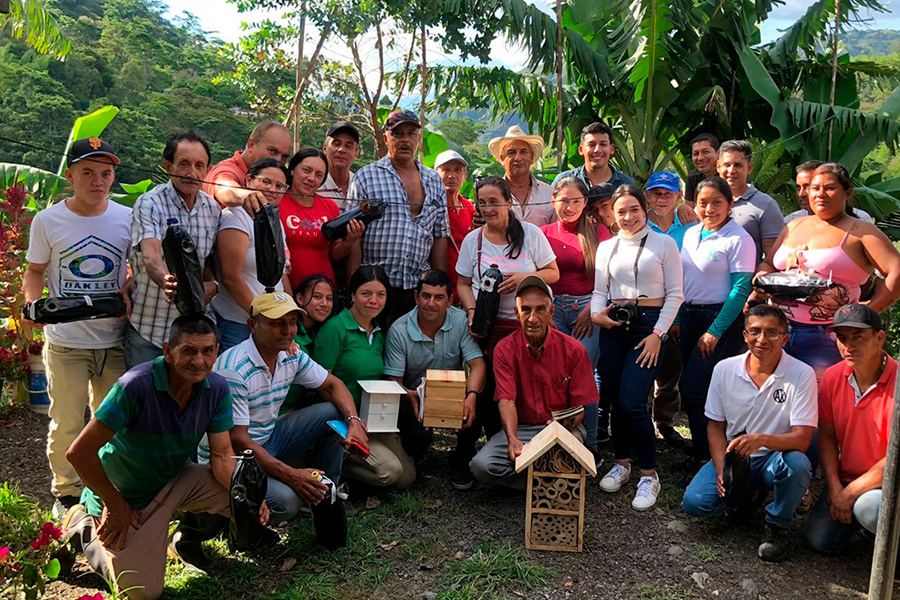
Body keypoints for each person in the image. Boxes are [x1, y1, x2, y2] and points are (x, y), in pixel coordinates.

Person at [63, 316, 267, 599]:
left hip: (174, 480)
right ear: (168, 351)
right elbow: (78, 453)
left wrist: (248, 497)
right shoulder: (134, 385)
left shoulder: (217, 389)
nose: (199, 361)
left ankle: (184, 540)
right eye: (189, 351)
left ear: (217, 351)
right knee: (142, 593)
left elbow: (221, 456)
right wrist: (115, 503)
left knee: (238, 500)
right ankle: (81, 525)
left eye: (207, 351)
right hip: (124, 496)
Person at [22, 137, 132, 517]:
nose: (97, 181)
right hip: (66, 342)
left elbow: (138, 267)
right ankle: (66, 493)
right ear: (71, 176)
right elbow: (34, 272)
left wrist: (129, 288)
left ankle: (104, 490)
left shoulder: (126, 218)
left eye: (105, 173)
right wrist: (33, 305)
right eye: (87, 172)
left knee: (110, 424)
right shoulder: (48, 220)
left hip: (115, 340)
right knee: (66, 421)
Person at [203, 292, 367, 536]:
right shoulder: (234, 370)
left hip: (268, 439)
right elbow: (237, 441)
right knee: (286, 502)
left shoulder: (291, 354)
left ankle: (325, 493)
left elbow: (333, 385)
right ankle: (231, 523)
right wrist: (291, 476)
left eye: (292, 322)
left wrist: (354, 422)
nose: (288, 330)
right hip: (232, 459)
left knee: (334, 411)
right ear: (252, 325)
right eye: (277, 323)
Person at [681, 305, 817, 563]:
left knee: (797, 464)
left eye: (772, 333)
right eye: (755, 331)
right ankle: (746, 498)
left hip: (776, 456)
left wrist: (762, 440)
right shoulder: (725, 369)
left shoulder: (801, 374)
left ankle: (778, 525)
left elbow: (802, 438)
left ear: (785, 338)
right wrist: (721, 468)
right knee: (695, 502)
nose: (762, 339)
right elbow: (715, 426)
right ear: (744, 335)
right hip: (736, 456)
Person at [755, 163, 900, 381]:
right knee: (778, 400)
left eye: (830, 188)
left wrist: (871, 309)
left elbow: (896, 271)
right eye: (814, 188)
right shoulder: (793, 226)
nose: (820, 194)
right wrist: (762, 276)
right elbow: (770, 264)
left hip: (828, 334)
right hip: (777, 329)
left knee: (823, 401)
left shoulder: (860, 231)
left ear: (848, 192)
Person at [591, 185, 683, 511]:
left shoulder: (664, 243)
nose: (628, 217)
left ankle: (648, 473)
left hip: (649, 326)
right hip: (614, 326)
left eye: (634, 209)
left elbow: (675, 294)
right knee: (614, 400)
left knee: (632, 403)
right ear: (613, 216)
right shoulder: (607, 247)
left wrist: (659, 333)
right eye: (621, 212)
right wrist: (594, 315)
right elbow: (599, 290)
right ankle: (622, 463)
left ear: (644, 209)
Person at [469, 276, 598, 489]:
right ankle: (549, 482)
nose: (532, 318)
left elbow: (579, 408)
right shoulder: (504, 349)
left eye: (540, 309)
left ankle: (539, 477)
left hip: (561, 428)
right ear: (516, 312)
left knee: (561, 456)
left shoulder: (574, 350)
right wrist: (512, 439)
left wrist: (560, 427)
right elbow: (506, 400)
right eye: (525, 309)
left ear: (551, 312)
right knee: (481, 466)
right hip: (522, 428)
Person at [314, 265, 416, 489]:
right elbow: (322, 385)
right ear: (352, 295)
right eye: (366, 294)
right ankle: (332, 467)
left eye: (381, 295)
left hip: (372, 419)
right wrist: (350, 419)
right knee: (390, 473)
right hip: (342, 421)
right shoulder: (335, 329)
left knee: (407, 477)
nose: (374, 301)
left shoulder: (378, 332)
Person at [805, 304, 895, 554]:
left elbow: (896, 457)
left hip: (892, 482)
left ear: (879, 338)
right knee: (818, 541)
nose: (848, 346)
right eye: (842, 338)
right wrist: (835, 488)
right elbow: (827, 435)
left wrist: (850, 493)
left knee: (869, 506)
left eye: (858, 337)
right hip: (849, 477)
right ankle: (870, 531)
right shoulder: (833, 377)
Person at [384, 270, 487, 489]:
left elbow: (477, 365)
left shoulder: (461, 322)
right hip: (412, 397)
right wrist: (409, 396)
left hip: (453, 393)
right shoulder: (398, 330)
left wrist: (471, 396)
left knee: (478, 398)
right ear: (416, 297)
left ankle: (462, 457)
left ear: (450, 301)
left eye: (439, 297)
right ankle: (412, 456)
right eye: (426, 296)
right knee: (416, 437)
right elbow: (393, 381)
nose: (431, 303)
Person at [126, 131, 221, 369]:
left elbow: (207, 257)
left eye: (200, 165)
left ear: (208, 169)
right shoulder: (150, 203)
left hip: (194, 332)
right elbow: (151, 255)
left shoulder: (212, 208)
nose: (192, 173)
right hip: (151, 329)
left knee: (190, 402)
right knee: (145, 400)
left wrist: (212, 283)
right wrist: (167, 281)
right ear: (168, 166)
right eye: (184, 164)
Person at [679, 176, 756, 466]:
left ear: (730, 203)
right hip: (690, 316)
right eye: (703, 203)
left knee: (695, 389)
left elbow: (740, 291)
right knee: (694, 389)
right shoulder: (690, 233)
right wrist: (677, 320)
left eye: (716, 202)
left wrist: (715, 331)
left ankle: (707, 458)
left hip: (719, 319)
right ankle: (702, 450)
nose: (709, 209)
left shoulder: (739, 239)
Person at [347, 110, 449, 325]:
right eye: (397, 134)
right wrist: (354, 287)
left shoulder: (433, 180)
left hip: (416, 289)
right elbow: (354, 234)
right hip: (376, 288)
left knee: (414, 352)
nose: (405, 140)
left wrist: (439, 285)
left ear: (418, 138)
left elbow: (440, 235)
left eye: (411, 133)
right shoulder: (366, 176)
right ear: (386, 138)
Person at [540, 177, 607, 449]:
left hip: (587, 309)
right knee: (553, 375)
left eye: (576, 201)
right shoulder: (543, 233)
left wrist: (591, 310)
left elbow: (608, 278)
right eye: (564, 200)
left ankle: (590, 443)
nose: (569, 206)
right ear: (553, 201)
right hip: (554, 310)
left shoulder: (597, 232)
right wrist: (548, 316)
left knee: (584, 376)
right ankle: (554, 440)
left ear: (584, 203)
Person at [212, 158, 292, 351]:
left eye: (279, 186)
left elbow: (280, 273)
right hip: (240, 322)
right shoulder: (236, 216)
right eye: (266, 181)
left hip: (269, 323)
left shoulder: (275, 220)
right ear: (249, 181)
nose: (272, 189)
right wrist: (260, 316)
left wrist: (289, 314)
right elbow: (231, 278)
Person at [645, 172, 693, 448]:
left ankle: (664, 421)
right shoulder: (639, 224)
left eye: (668, 194)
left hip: (680, 307)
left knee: (671, 370)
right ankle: (639, 423)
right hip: (647, 306)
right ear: (648, 196)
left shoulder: (691, 226)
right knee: (644, 368)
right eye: (656, 193)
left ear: (678, 197)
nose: (661, 199)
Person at [281, 148, 362, 292]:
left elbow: (335, 254)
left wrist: (350, 241)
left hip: (324, 294)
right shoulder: (277, 202)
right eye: (306, 170)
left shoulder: (329, 206)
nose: (311, 178)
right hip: (286, 292)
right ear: (292, 170)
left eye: (319, 175)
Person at [716, 140, 784, 266]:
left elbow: (774, 257)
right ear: (718, 167)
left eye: (738, 165)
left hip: (745, 282)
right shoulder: (707, 203)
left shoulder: (766, 205)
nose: (731, 171)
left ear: (750, 168)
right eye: (727, 165)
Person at [281, 275, 336, 415]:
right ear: (300, 299)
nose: (324, 303)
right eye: (317, 297)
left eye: (329, 298)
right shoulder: (289, 335)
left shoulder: (320, 332)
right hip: (278, 413)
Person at [203, 120, 292, 207]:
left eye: (284, 157)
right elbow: (224, 188)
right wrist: (245, 195)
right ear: (251, 145)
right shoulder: (227, 170)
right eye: (272, 151)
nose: (278, 160)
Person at [488, 125, 555, 226]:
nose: (518, 158)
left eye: (523, 152)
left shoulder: (549, 193)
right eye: (511, 152)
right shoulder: (491, 195)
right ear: (502, 158)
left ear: (531, 157)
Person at [434, 150, 476, 294]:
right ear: (435, 175)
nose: (452, 175)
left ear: (465, 176)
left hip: (467, 285)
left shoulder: (471, 209)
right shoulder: (430, 208)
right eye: (446, 170)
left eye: (457, 170)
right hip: (439, 287)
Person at [785, 161, 874, 225]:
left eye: (808, 186)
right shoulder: (791, 223)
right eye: (798, 187)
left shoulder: (861, 220)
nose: (801, 194)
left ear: (848, 193)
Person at [552, 122, 634, 189]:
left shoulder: (625, 184)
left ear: (611, 149)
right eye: (592, 145)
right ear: (581, 150)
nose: (597, 150)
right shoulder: (563, 181)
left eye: (603, 144)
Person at [318, 120, 360, 210]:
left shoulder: (360, 185)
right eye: (336, 144)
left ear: (356, 154)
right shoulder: (314, 184)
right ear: (325, 148)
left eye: (348, 146)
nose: (342, 150)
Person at [684, 133, 720, 206]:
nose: (700, 158)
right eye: (696, 154)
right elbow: (689, 210)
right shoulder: (693, 178)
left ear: (718, 153)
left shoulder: (730, 175)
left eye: (706, 152)